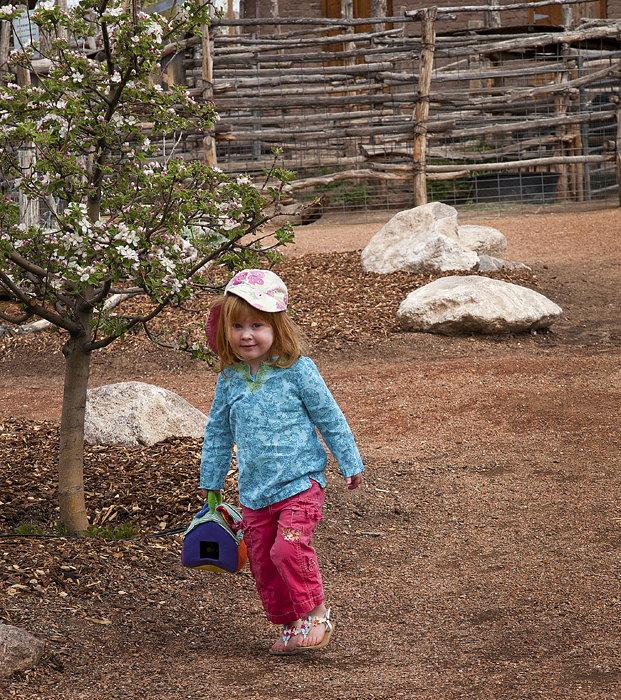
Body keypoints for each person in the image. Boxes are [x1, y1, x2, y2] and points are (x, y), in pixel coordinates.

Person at [199, 268, 364, 655]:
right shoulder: (229, 379)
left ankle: (317, 614)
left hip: (300, 482)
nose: (246, 334)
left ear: (277, 327)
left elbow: (329, 416)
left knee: (287, 549)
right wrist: (212, 478)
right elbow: (218, 433)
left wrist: (349, 460)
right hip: (255, 492)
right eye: (237, 326)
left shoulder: (297, 370)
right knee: (263, 562)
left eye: (257, 324)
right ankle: (291, 625)